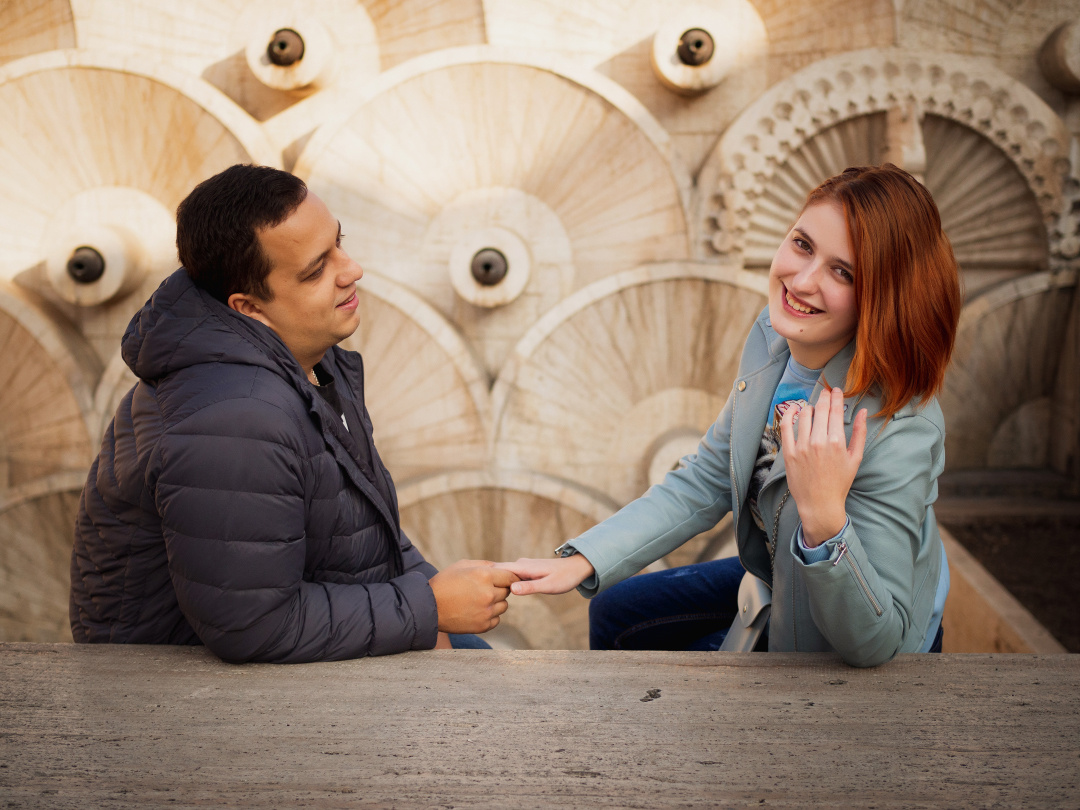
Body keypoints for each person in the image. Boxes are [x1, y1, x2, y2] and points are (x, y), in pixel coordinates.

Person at [497, 164, 962, 668]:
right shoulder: (775, 337)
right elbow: (707, 476)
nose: (802, 281)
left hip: (854, 626)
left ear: (883, 299)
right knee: (615, 611)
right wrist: (585, 559)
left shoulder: (899, 429)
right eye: (802, 245)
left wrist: (825, 518)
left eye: (842, 272)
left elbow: (878, 640)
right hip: (779, 569)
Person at [70, 164, 516, 662]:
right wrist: (429, 607)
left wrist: (438, 590)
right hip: (174, 686)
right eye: (315, 270)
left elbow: (358, 536)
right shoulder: (236, 421)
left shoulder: (305, 358)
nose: (351, 270)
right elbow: (252, 626)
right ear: (248, 307)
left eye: (338, 243)